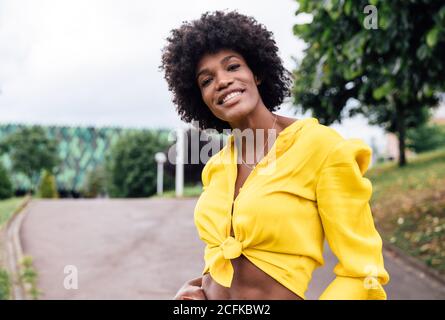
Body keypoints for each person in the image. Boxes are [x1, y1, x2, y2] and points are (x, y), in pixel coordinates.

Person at [160, 10, 390, 300]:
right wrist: (194, 291)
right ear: (200, 99)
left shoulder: (322, 147)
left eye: (232, 67)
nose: (221, 82)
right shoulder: (217, 165)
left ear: (256, 72)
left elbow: (363, 272)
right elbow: (221, 256)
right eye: (206, 81)